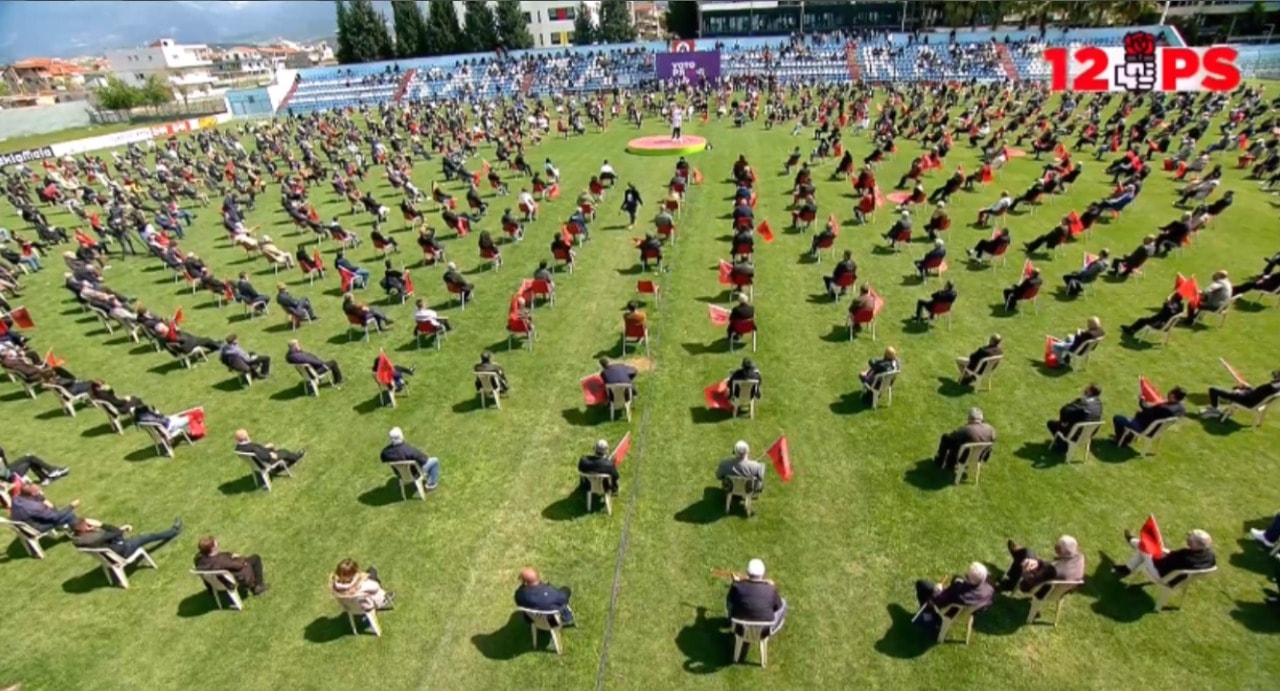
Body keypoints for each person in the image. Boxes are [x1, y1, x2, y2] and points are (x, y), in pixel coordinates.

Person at [913, 562, 995, 633]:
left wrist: (938, 590)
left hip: (950, 610)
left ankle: (928, 618)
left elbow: (938, 600)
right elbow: (985, 606)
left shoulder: (958, 593)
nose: (965, 574)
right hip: (967, 612)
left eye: (966, 575)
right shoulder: (990, 590)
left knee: (922, 584)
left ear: (969, 580)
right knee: (957, 577)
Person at [1114, 526, 1216, 580]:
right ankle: (1128, 566)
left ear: (1196, 545)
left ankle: (1132, 543)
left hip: (1162, 575)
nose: (1188, 539)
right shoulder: (1210, 556)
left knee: (1145, 546)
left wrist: (1156, 551)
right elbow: (1173, 557)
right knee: (1153, 547)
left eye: (1190, 538)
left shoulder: (1184, 555)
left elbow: (1161, 563)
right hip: (1179, 579)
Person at [1000, 536, 1086, 596]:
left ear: (1060, 550)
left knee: (1027, 553)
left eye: (1057, 547)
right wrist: (1039, 563)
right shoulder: (1079, 558)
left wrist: (1024, 570)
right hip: (1058, 590)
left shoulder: (1053, 570)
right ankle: (1017, 557)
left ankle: (1010, 582)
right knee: (1028, 557)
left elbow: (1027, 585)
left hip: (1043, 590)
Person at [70, 515, 182, 558]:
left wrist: (120, 529)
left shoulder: (77, 540)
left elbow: (112, 535)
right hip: (122, 551)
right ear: (85, 528)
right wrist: (100, 524)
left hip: (109, 554)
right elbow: (117, 532)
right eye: (88, 525)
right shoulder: (96, 537)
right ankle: (174, 531)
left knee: (121, 533)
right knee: (147, 536)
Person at [726, 559, 787, 636]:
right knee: (784, 603)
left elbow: (730, 599)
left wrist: (735, 583)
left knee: (731, 600)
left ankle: (730, 620)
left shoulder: (737, 586)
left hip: (740, 629)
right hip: (764, 631)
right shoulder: (771, 589)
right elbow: (777, 607)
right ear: (763, 573)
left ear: (747, 572)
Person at [194, 536, 268, 596]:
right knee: (255, 558)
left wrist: (230, 555)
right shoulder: (220, 561)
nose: (217, 542)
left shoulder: (199, 560)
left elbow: (222, 557)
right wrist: (240, 558)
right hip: (233, 577)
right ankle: (258, 586)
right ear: (212, 548)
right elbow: (238, 565)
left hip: (217, 581)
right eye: (215, 542)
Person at [1114, 386, 1187, 443]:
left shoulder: (1164, 409)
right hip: (1157, 430)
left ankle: (1123, 440)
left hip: (1145, 428)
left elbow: (1146, 409)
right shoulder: (1181, 409)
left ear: (1173, 396)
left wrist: (1142, 400)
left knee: (1117, 418)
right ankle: (1128, 437)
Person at [1201, 369, 1280, 419]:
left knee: (1213, 390)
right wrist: (1248, 387)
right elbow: (1258, 393)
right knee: (1236, 388)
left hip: (1246, 400)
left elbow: (1254, 395)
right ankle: (1230, 410)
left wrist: (1239, 392)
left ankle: (1215, 410)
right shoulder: (1275, 389)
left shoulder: (1270, 387)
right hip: (1251, 399)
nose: (1275, 376)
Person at [9, 482, 81, 531]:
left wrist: (44, 500)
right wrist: (71, 506)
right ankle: (79, 531)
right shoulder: (34, 507)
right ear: (33, 494)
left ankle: (70, 526)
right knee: (69, 515)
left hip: (25, 525)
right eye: (38, 491)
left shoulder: (16, 498)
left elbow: (38, 497)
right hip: (36, 528)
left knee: (55, 509)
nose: (40, 492)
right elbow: (55, 517)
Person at [234, 428, 305, 468]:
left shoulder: (238, 448)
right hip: (265, 463)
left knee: (271, 446)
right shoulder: (252, 447)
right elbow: (265, 457)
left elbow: (257, 452)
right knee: (284, 452)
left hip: (256, 464)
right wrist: (271, 455)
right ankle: (296, 457)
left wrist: (265, 447)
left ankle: (277, 458)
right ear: (246, 437)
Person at [0, 445, 69, 485]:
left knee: (30, 460)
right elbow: (3, 470)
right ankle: (51, 470)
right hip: (9, 476)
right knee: (30, 457)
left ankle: (45, 478)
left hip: (7, 473)